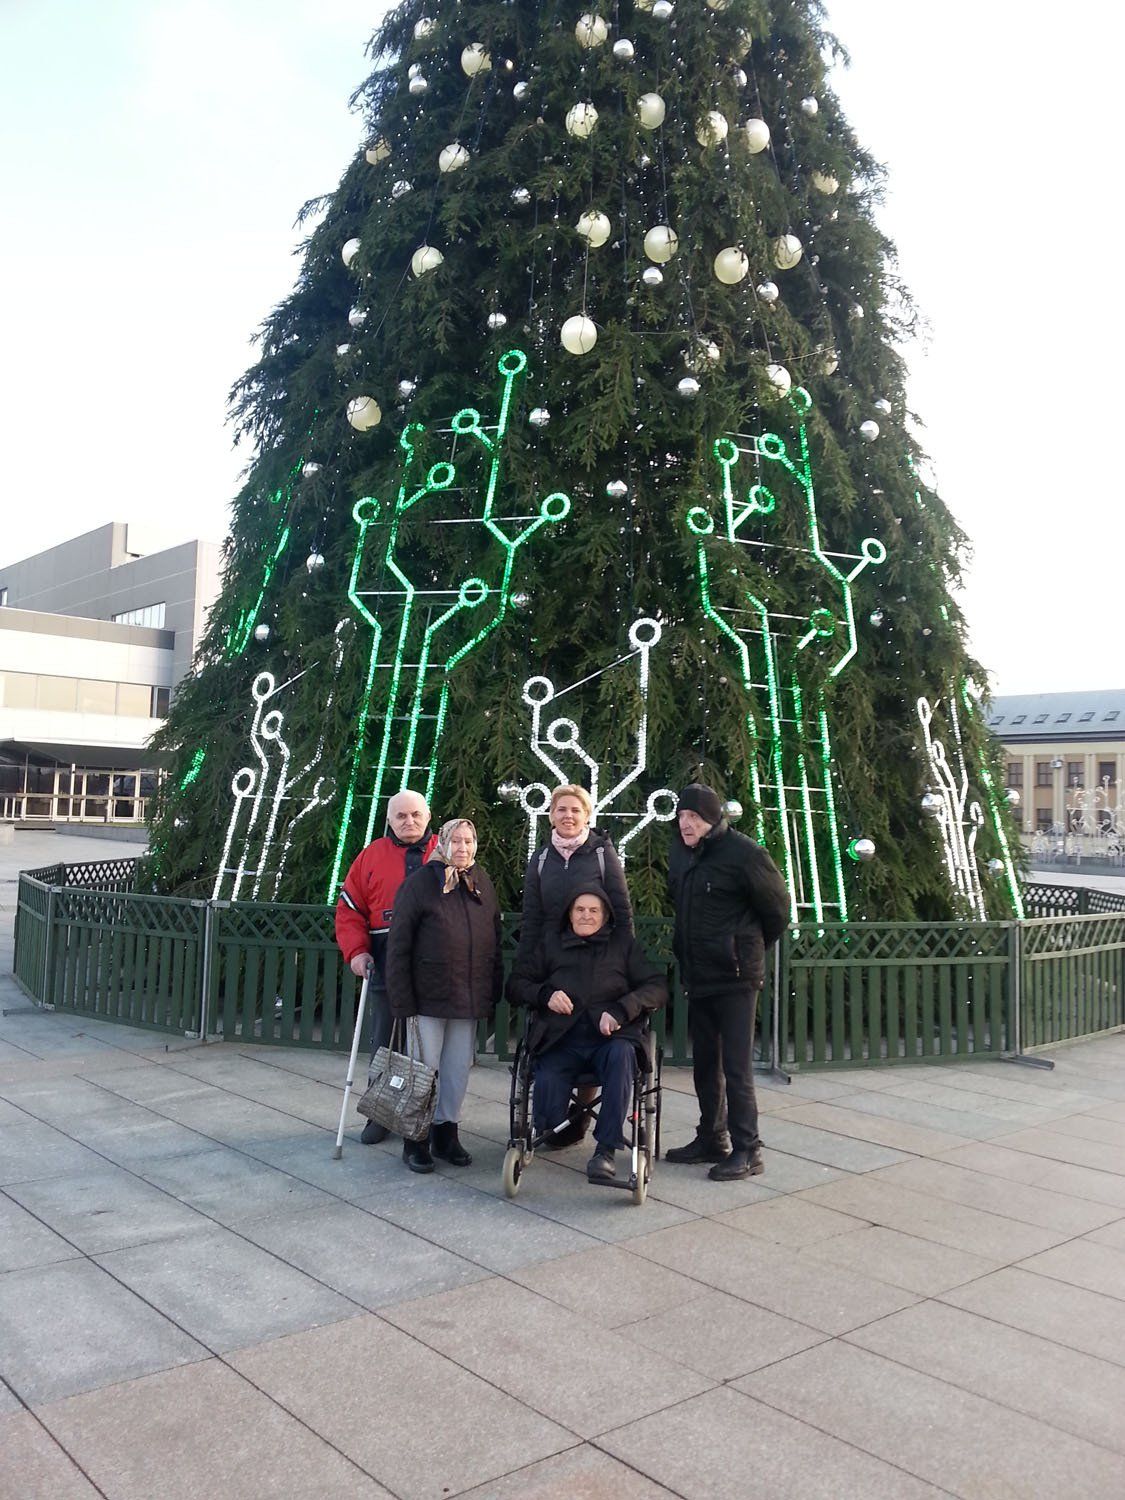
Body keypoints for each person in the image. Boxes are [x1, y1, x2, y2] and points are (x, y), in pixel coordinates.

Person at [665, 783, 790, 1181]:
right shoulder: (682, 855)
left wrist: (743, 948)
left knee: (736, 1069)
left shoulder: (745, 854)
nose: (686, 824)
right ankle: (711, 1138)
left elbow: (777, 911)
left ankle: (748, 1150)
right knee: (705, 1065)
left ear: (713, 819)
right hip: (698, 976)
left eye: (694, 817)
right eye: (682, 816)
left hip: (736, 978)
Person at [508, 887, 666, 1182]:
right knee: (549, 1110)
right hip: (561, 1039)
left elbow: (656, 987)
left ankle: (605, 1150)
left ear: (605, 916)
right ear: (569, 914)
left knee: (622, 1057)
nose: (586, 916)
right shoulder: (551, 944)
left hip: (610, 1041)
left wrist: (622, 1010)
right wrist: (545, 995)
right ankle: (550, 1129)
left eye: (594, 911)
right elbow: (517, 984)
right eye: (580, 910)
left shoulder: (623, 946)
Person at [517, 783, 633, 1148]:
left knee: (594, 1029)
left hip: (597, 954)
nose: (568, 816)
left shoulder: (600, 854)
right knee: (563, 1029)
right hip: (554, 958)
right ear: (550, 814)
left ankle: (583, 1115)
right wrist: (528, 975)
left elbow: (621, 908)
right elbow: (532, 917)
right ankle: (553, 1120)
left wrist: (623, 958)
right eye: (560, 809)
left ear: (587, 816)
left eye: (575, 810)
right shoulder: (540, 859)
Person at [385, 817, 502, 1173]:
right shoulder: (421, 884)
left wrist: (492, 989)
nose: (462, 848)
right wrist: (401, 997)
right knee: (423, 1069)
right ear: (443, 843)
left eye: (469, 841)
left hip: (466, 998)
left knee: (456, 1071)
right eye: (456, 841)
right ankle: (414, 1140)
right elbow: (399, 944)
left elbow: (494, 939)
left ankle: (445, 1133)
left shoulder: (481, 882)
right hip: (428, 998)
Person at [334, 789, 438, 1144]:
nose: (409, 821)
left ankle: (428, 1120)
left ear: (428, 816)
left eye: (415, 815)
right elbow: (349, 909)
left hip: (435, 963)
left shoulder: (448, 849)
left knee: (429, 1046)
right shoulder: (370, 856)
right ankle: (381, 1114)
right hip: (386, 959)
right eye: (401, 816)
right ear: (389, 821)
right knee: (385, 1043)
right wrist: (357, 952)